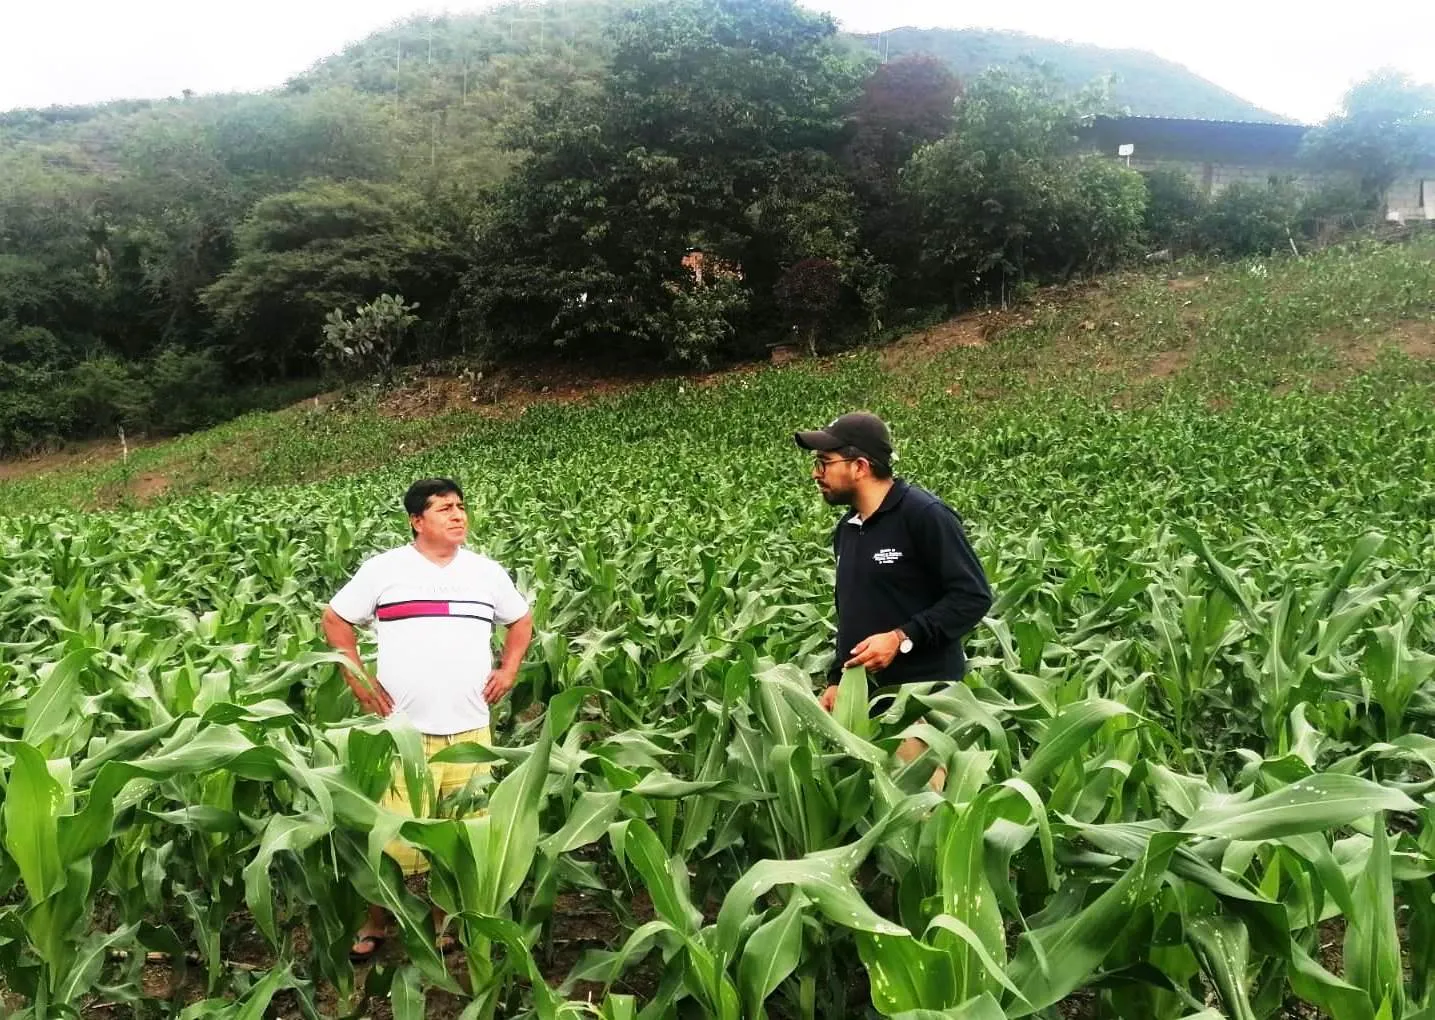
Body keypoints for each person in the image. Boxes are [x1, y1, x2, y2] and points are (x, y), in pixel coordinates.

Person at [321, 477, 534, 960]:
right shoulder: (385, 570)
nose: (458, 515)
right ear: (417, 521)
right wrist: (357, 678)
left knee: (459, 835)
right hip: (402, 733)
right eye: (444, 509)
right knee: (386, 836)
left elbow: (520, 621)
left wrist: (509, 668)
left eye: (461, 506)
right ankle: (376, 923)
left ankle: (444, 922)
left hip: (469, 730)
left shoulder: (485, 573)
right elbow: (335, 619)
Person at [794, 412, 992, 788]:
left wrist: (902, 638)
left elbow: (973, 596)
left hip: (922, 707)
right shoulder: (848, 529)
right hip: (867, 704)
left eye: (824, 462)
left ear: (860, 466)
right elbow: (855, 612)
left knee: (924, 812)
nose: (816, 474)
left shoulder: (924, 515)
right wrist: (837, 679)